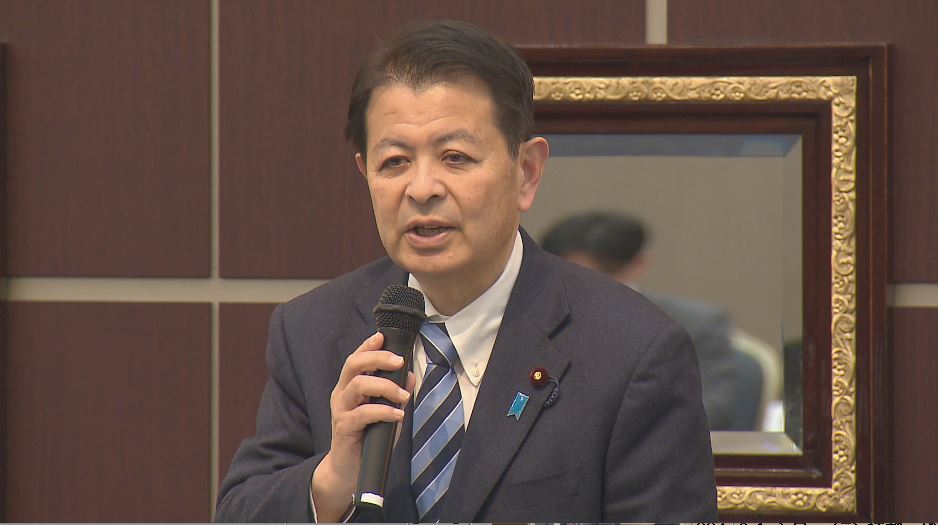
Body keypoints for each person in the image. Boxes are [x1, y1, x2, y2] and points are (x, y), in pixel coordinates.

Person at [215, 20, 717, 522]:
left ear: (526, 172)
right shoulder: (313, 331)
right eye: (394, 162)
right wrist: (331, 479)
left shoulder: (633, 352)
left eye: (455, 158)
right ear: (365, 174)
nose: (422, 188)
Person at [541, 212, 738, 430]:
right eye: (571, 277)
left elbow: (709, 408)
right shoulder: (537, 320)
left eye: (595, 276)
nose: (586, 288)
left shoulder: (697, 324)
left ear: (638, 265)